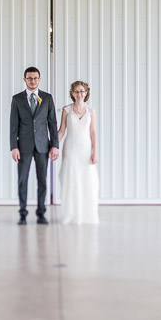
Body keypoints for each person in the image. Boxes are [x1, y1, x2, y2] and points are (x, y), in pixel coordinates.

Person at [10, 67, 59, 225]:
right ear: (24, 79)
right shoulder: (17, 99)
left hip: (43, 146)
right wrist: (13, 146)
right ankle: (23, 213)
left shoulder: (47, 98)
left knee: (42, 180)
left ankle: (41, 213)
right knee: (22, 180)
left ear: (39, 79)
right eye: (29, 78)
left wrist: (55, 145)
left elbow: (52, 124)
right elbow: (13, 125)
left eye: (35, 78)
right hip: (23, 146)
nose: (33, 81)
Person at [57, 80, 100, 224]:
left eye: (82, 91)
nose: (79, 94)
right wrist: (53, 146)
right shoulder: (66, 110)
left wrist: (95, 152)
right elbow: (62, 131)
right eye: (76, 91)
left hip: (85, 149)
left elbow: (93, 132)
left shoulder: (91, 111)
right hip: (70, 148)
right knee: (71, 179)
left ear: (86, 93)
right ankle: (70, 214)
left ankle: (86, 214)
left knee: (87, 180)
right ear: (72, 93)